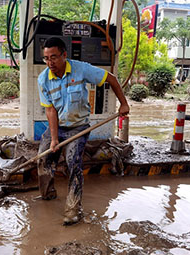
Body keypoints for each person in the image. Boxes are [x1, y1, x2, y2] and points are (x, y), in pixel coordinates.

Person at [37, 37, 130, 225]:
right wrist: (54, 139)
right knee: (43, 157)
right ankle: (47, 194)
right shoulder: (43, 79)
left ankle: (73, 208)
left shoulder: (81, 69)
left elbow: (110, 79)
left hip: (78, 126)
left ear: (64, 55)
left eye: (54, 57)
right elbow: (50, 110)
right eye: (46, 58)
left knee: (73, 161)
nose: (50, 63)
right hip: (58, 125)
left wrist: (124, 103)